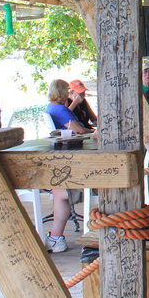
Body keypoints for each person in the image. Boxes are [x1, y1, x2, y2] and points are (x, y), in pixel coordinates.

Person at [43, 79, 92, 253]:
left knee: (59, 191)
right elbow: (78, 130)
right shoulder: (61, 109)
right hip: (75, 165)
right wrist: (93, 131)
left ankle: (56, 238)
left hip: (63, 160)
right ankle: (56, 238)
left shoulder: (51, 108)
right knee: (61, 191)